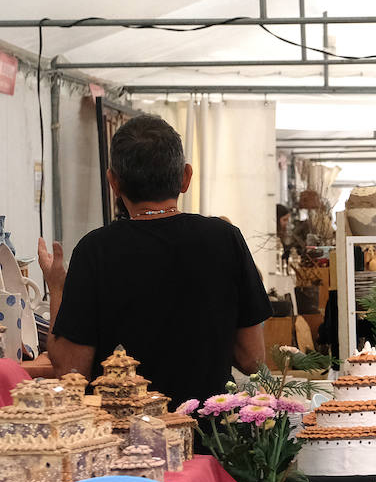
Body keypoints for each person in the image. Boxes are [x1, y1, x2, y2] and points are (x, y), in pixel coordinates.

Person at [40, 114, 269, 408]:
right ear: (186, 177)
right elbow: (253, 360)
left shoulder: (95, 250)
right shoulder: (225, 239)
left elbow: (71, 372)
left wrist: (56, 286)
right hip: (210, 439)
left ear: (113, 183)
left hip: (120, 441)